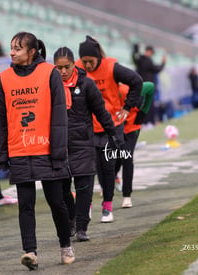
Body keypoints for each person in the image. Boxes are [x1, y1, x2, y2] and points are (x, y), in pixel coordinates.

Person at [0, 31, 75, 270]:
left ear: (31, 52)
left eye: (17, 48)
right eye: (11, 48)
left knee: (57, 202)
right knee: (25, 205)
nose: (12, 52)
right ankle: (30, 252)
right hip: (19, 150)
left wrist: (59, 150)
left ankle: (65, 246)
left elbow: (59, 115)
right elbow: (0, 118)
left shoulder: (49, 73)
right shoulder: (4, 78)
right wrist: (2, 153)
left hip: (47, 149)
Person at [75, 35, 142, 223]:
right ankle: (86, 207)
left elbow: (137, 82)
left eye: (90, 61)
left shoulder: (112, 68)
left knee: (108, 167)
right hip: (87, 128)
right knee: (90, 169)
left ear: (98, 57)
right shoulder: (76, 68)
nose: (87, 65)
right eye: (84, 61)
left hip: (111, 127)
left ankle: (107, 206)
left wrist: (127, 107)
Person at [53, 46, 116, 242]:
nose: (63, 72)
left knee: (83, 189)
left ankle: (81, 228)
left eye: (67, 67)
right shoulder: (49, 85)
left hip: (83, 144)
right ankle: (71, 220)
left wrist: (112, 133)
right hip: (59, 146)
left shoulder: (87, 84)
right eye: (59, 68)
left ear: (74, 65)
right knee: (63, 191)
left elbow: (100, 111)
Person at [115, 82, 155, 208]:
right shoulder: (102, 92)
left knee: (126, 157)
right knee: (113, 159)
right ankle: (112, 179)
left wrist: (144, 110)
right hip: (114, 128)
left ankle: (127, 195)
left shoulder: (131, 89)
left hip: (132, 127)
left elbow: (151, 87)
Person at [135, 45, 166, 127]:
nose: (151, 54)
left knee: (144, 105)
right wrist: (163, 63)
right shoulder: (146, 61)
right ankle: (146, 123)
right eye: (151, 52)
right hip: (147, 87)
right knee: (147, 105)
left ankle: (144, 123)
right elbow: (157, 69)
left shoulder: (141, 60)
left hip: (142, 86)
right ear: (148, 51)